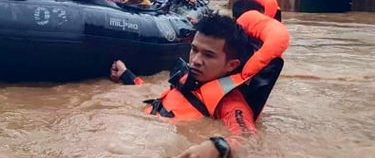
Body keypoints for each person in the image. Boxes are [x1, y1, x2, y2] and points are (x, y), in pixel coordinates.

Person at [110, 9, 289, 158]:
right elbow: (162, 99)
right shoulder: (189, 80)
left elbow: (249, 139)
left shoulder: (230, 104)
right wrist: (128, 76)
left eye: (208, 55)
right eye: (194, 50)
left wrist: (219, 146)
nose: (195, 60)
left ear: (231, 65)